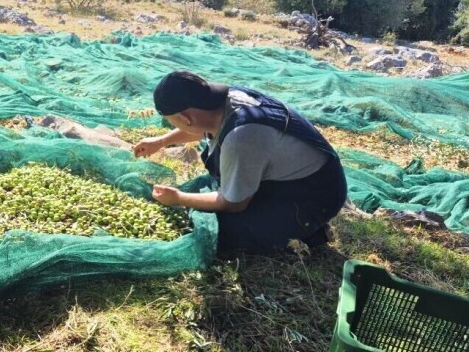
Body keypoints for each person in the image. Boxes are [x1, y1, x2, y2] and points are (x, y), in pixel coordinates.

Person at [134, 70, 347, 254]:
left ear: (186, 117)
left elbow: (233, 203)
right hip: (298, 177)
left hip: (315, 197)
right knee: (208, 197)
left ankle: (309, 230)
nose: (172, 127)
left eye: (172, 122)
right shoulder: (219, 102)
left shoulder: (241, 137)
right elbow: (200, 128)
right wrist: (161, 141)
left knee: (219, 229)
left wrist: (179, 198)